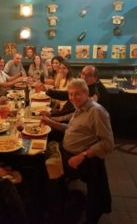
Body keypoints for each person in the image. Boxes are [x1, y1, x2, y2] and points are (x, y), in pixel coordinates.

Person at [43, 79, 114, 224]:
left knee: (43, 167)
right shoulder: (80, 107)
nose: (73, 98)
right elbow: (69, 128)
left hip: (80, 160)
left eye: (77, 94)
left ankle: (55, 209)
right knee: (42, 156)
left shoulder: (96, 111)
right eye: (70, 94)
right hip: (68, 152)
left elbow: (108, 143)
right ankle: (56, 200)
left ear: (86, 94)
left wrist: (82, 155)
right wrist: (50, 122)